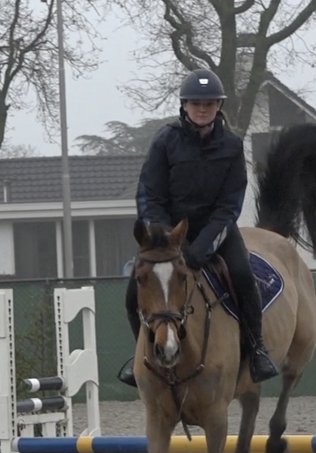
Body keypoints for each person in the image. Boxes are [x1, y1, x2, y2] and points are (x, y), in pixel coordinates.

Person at [117, 68, 279, 387]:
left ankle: (257, 348)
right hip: (169, 235)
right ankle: (142, 356)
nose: (202, 109)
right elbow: (150, 193)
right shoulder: (165, 141)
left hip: (215, 232)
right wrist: (166, 239)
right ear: (185, 106)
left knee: (244, 276)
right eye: (196, 103)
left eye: (209, 103)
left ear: (218, 106)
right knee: (133, 290)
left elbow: (230, 205)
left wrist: (204, 245)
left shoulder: (232, 146)